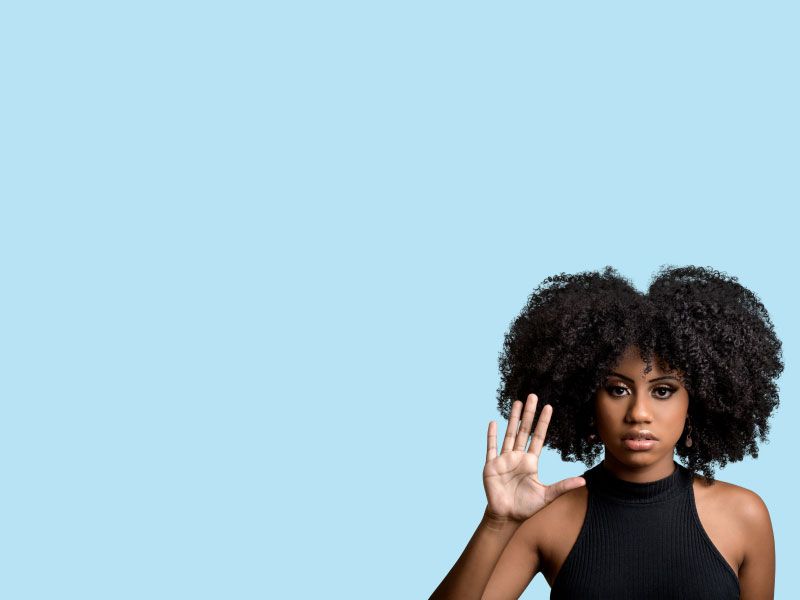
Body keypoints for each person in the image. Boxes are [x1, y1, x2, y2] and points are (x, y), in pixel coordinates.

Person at [429, 265, 780, 600]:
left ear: (697, 402)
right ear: (586, 400)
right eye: (617, 389)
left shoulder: (744, 515)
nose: (639, 413)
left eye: (662, 390)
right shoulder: (548, 518)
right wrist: (497, 523)